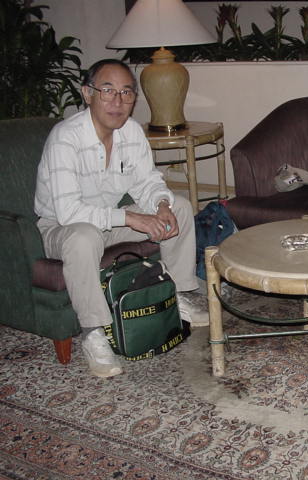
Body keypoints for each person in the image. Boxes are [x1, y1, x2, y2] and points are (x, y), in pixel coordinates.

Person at [35, 59, 208, 378]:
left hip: (109, 224)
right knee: (84, 236)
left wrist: (161, 204)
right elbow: (69, 212)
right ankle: (93, 332)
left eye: (126, 92)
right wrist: (131, 218)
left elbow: (147, 181)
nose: (118, 101)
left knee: (180, 208)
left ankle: (177, 295)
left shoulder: (131, 132)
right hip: (62, 229)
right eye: (108, 90)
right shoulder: (65, 139)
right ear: (88, 93)